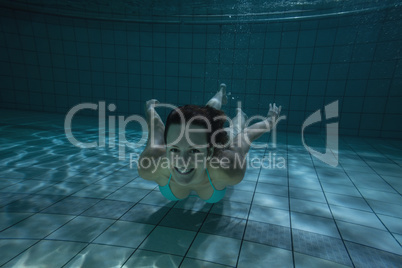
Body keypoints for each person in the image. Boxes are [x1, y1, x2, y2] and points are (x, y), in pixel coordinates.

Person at [138, 83, 281, 203]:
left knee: (235, 129)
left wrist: (269, 122)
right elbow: (156, 129)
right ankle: (220, 93)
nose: (183, 162)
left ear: (210, 152)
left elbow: (245, 136)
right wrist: (150, 109)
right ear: (166, 147)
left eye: (194, 151)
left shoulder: (229, 169)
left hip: (216, 146)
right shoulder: (149, 166)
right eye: (174, 149)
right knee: (209, 114)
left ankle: (241, 115)